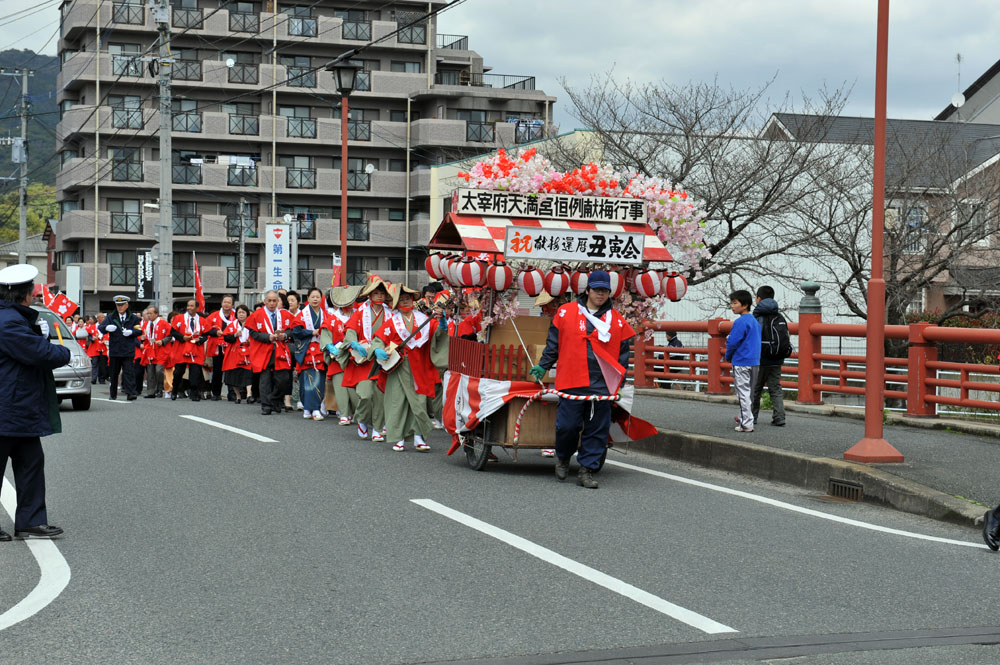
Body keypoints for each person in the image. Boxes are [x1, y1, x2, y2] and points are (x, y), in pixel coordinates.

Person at [531, 270, 635, 489]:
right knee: (567, 426)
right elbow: (553, 345)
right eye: (596, 290)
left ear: (609, 293)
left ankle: (586, 470)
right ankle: (563, 457)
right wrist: (543, 365)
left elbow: (623, 356)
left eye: (604, 291)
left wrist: (620, 381)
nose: (600, 294)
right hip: (572, 378)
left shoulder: (616, 321)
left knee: (597, 428)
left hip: (603, 383)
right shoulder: (565, 312)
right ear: (587, 290)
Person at [0, 264, 69, 540]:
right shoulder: (8, 323)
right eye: (32, 292)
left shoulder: (12, 318)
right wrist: (61, 350)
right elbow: (40, 354)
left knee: (31, 463)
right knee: (27, 464)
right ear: (24, 295)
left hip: (17, 406)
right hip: (8, 405)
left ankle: (30, 521)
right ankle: (30, 519)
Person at [372, 285, 447, 452]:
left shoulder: (424, 320)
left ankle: (419, 437)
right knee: (397, 402)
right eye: (401, 299)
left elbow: (438, 334)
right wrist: (377, 349)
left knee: (419, 402)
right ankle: (398, 438)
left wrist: (442, 321)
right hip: (399, 366)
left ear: (412, 300)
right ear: (397, 304)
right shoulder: (393, 322)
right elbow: (379, 339)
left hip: (419, 365)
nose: (405, 301)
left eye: (407, 298)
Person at [342, 277, 392, 441]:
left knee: (379, 395)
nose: (379, 296)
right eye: (376, 293)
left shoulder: (390, 313)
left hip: (382, 359)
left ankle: (377, 428)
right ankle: (362, 420)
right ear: (369, 295)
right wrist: (354, 343)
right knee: (365, 394)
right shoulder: (362, 312)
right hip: (364, 359)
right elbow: (350, 329)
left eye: (382, 293)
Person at [246, 290, 295, 415]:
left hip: (280, 350)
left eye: (275, 300)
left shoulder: (284, 315)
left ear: (278, 301)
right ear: (265, 301)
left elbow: (292, 330)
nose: (272, 303)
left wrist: (285, 335)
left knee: (283, 378)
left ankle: (275, 400)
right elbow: (253, 333)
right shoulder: (257, 315)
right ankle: (266, 405)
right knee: (265, 379)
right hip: (263, 350)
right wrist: (268, 337)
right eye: (269, 301)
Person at [752, 286, 790, 427]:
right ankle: (779, 417)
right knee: (775, 389)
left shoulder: (756, 316)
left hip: (760, 359)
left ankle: (752, 417)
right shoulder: (779, 316)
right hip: (777, 358)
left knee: (756, 389)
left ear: (759, 299)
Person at [323, 286, 361, 425]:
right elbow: (326, 335)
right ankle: (344, 414)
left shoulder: (360, 315)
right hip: (338, 358)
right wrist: (328, 346)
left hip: (355, 358)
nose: (348, 305)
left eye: (350, 302)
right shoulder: (332, 319)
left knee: (354, 389)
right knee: (340, 388)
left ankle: (358, 414)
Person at [726, 290, 762, 433]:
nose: (732, 306)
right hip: (754, 361)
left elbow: (733, 342)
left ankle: (746, 423)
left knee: (743, 393)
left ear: (745, 305)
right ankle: (744, 418)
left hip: (741, 361)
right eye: (731, 303)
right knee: (750, 393)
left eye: (735, 303)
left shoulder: (740, 322)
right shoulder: (755, 321)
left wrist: (728, 356)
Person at [290, 287, 329, 421]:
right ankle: (311, 408)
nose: (315, 299)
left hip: (320, 350)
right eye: (313, 297)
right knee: (307, 381)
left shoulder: (326, 314)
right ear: (308, 299)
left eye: (318, 297)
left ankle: (313, 408)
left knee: (318, 381)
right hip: (306, 350)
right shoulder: (302, 315)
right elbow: (296, 331)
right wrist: (310, 332)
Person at [98, 294, 142, 400]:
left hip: (128, 350)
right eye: (118, 305)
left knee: (129, 373)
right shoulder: (111, 317)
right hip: (115, 350)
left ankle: (131, 393)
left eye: (122, 305)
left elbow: (139, 331)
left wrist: (131, 332)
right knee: (114, 373)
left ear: (127, 305)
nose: (120, 307)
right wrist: (107, 327)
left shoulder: (133, 318)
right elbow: (101, 327)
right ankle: (113, 394)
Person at [170, 299, 211, 401]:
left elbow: (206, 334)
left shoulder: (202, 320)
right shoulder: (179, 318)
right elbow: (173, 331)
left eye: (192, 306)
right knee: (178, 372)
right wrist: (182, 337)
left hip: (196, 349)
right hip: (181, 348)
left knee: (195, 372)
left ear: (197, 308)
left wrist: (200, 339)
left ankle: (194, 393)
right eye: (188, 306)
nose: (189, 308)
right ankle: (174, 390)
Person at [205, 295, 236, 401]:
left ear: (232, 304)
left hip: (232, 347)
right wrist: (215, 332)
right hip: (217, 347)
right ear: (221, 303)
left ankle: (232, 393)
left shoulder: (236, 315)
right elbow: (206, 329)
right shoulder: (213, 316)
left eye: (229, 302)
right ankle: (216, 393)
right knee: (217, 370)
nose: (226, 304)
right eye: (225, 302)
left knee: (231, 370)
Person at [221, 304, 253, 403]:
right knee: (233, 375)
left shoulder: (251, 325)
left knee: (248, 373)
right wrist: (235, 335)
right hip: (234, 352)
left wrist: (250, 341)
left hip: (248, 352)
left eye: (243, 312)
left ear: (247, 314)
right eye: (239, 312)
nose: (241, 315)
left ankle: (248, 395)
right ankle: (238, 395)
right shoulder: (232, 325)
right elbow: (226, 338)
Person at [142, 305, 173, 398]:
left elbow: (170, 335)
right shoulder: (146, 324)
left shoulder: (164, 324)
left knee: (159, 370)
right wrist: (142, 338)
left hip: (161, 351)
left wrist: (162, 341)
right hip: (150, 350)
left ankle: (160, 389)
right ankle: (151, 391)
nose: (149, 315)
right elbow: (142, 336)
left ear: (156, 314)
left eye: (150, 313)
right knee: (150, 371)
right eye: (148, 313)